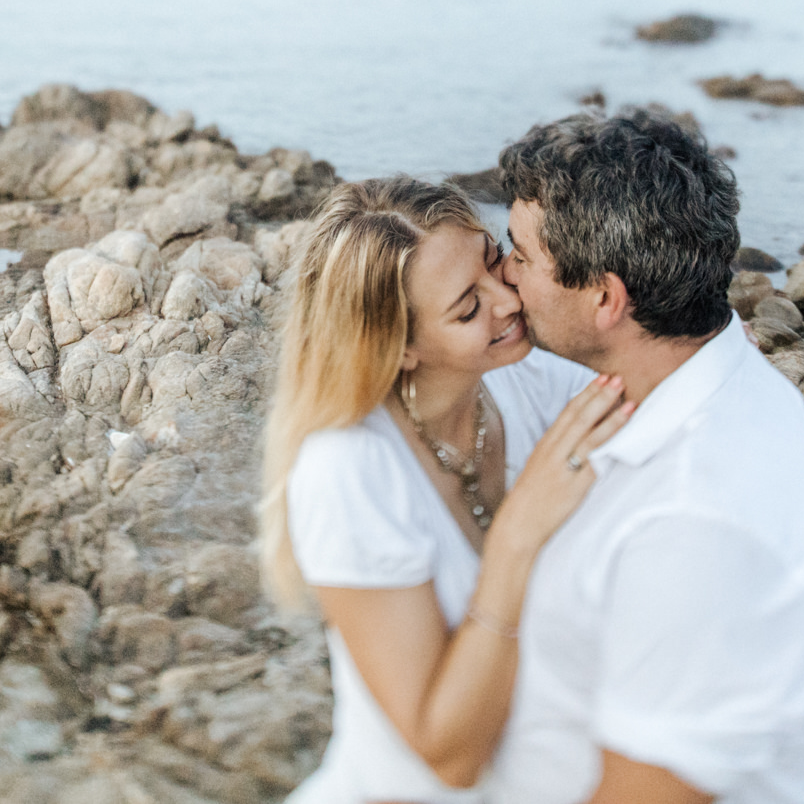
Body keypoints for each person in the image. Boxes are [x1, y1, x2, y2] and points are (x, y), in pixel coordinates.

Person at [488, 111, 804, 804]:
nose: (502, 271)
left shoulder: (693, 524)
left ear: (606, 297)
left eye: (519, 254)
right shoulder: (703, 377)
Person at [259, 176, 637, 803]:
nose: (508, 303)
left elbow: (662, 391)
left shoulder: (528, 380)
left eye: (494, 261)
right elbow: (449, 757)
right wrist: (516, 538)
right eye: (467, 308)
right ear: (401, 347)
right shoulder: (349, 470)